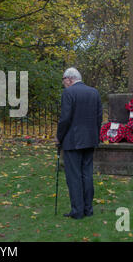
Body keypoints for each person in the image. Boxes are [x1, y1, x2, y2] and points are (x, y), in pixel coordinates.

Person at [56, 68, 102, 219]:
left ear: (69, 79)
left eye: (64, 80)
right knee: (87, 175)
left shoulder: (68, 93)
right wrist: (95, 135)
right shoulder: (94, 92)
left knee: (74, 176)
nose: (64, 84)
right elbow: (99, 117)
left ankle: (77, 211)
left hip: (72, 141)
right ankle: (88, 209)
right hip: (90, 139)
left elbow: (65, 119)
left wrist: (59, 137)